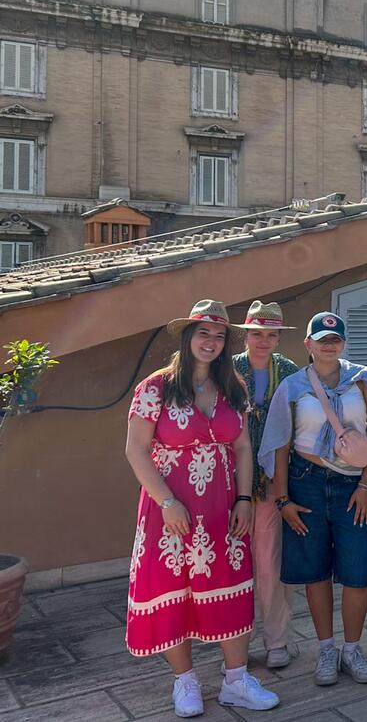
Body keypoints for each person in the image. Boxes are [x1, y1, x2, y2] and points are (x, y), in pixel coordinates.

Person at [125, 300, 279, 717]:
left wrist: (245, 498)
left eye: (218, 335)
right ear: (187, 335)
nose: (210, 341)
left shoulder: (233, 386)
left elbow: (243, 446)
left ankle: (235, 680)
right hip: (169, 510)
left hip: (223, 508)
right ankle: (186, 682)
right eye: (202, 332)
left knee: (230, 586)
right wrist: (167, 501)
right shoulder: (154, 388)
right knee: (172, 590)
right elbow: (136, 451)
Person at [258, 312, 367, 689]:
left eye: (335, 339)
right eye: (321, 339)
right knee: (315, 570)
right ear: (308, 344)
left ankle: (352, 649)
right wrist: (283, 499)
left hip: (354, 484)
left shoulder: (363, 379)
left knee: (356, 571)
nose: (328, 345)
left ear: (343, 344)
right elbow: (282, 444)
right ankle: (326, 648)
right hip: (306, 483)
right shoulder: (292, 387)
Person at [231, 300, 301, 670]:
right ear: (246, 334)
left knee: (270, 565)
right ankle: (234, 641)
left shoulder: (289, 372)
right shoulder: (226, 371)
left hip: (273, 482)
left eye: (271, 335)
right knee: (231, 566)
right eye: (257, 334)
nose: (263, 341)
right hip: (228, 485)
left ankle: (276, 641)